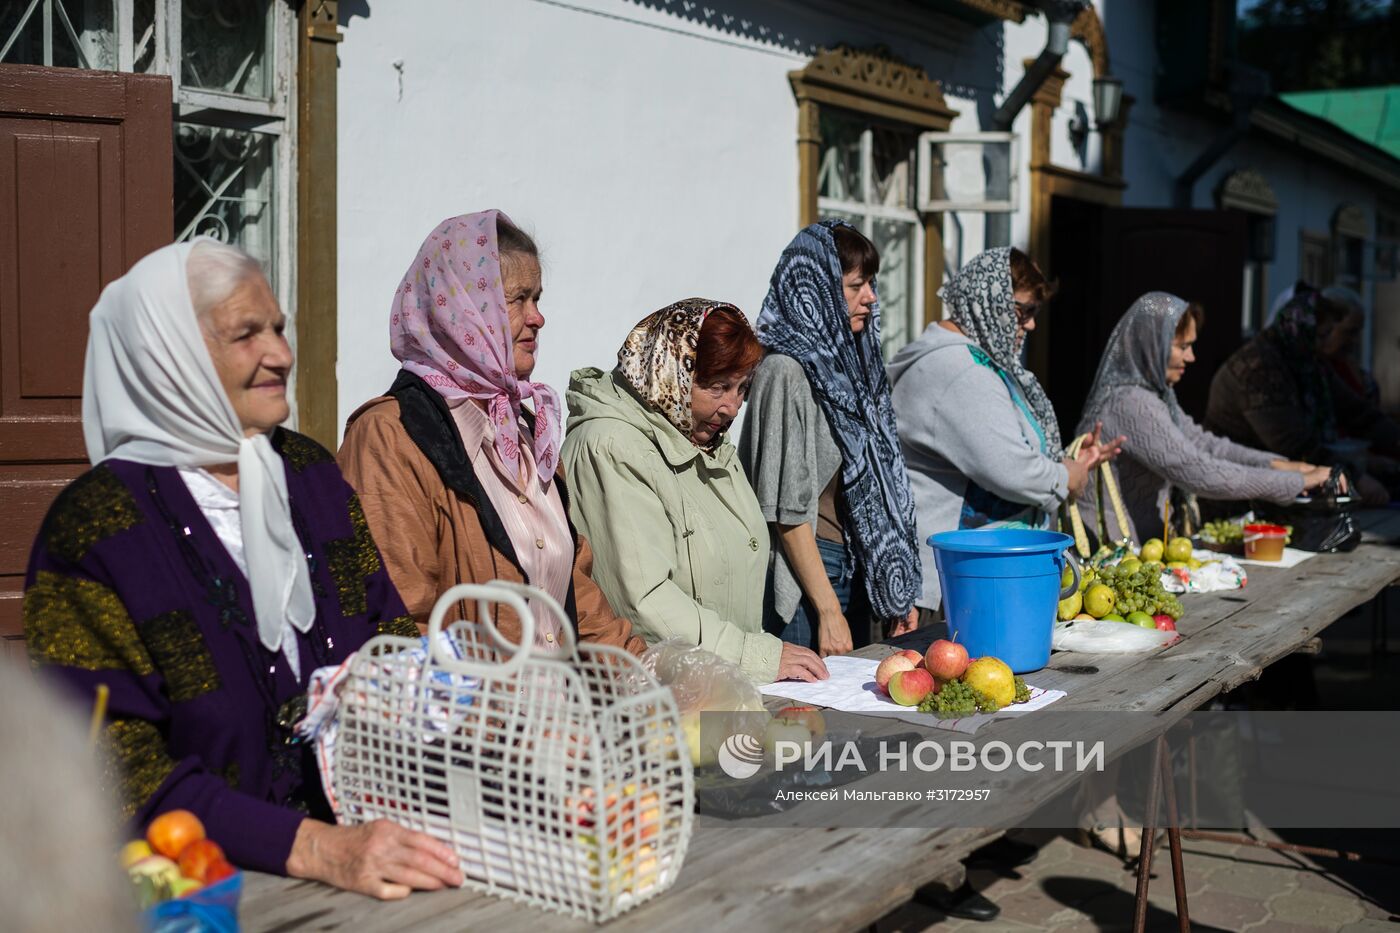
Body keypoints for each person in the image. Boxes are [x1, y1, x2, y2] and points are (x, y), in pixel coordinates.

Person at [24, 239, 462, 898]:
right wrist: (313, 846)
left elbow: (390, 640)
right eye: (246, 334)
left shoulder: (310, 475)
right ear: (167, 354)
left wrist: (494, 746)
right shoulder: (96, 529)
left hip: (372, 865)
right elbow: (111, 771)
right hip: (202, 894)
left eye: (279, 329)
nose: (281, 354)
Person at [338, 211, 647, 655]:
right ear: (460, 309)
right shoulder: (390, 436)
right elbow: (397, 623)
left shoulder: (527, 430)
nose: (537, 318)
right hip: (460, 702)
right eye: (517, 300)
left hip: (559, 701)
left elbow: (574, 600)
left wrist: (654, 679)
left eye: (537, 298)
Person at [561, 300, 827, 684]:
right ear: (671, 372)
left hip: (714, 685)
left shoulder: (701, 438)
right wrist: (751, 655)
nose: (732, 407)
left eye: (742, 388)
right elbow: (644, 601)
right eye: (717, 387)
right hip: (656, 697)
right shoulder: (612, 447)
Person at [889, 247, 1121, 615]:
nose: (1030, 326)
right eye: (1022, 312)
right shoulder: (959, 370)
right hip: (954, 584)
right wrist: (1066, 477)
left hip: (976, 574)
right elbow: (1011, 469)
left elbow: (1003, 449)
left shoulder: (975, 361)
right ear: (988, 300)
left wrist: (1069, 462)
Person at [739, 221, 921, 658]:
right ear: (815, 291)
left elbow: (880, 485)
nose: (870, 297)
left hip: (852, 567)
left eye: (871, 284)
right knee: (809, 703)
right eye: (856, 285)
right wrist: (828, 611)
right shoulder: (785, 372)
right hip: (808, 583)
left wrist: (893, 587)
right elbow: (785, 512)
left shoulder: (852, 368)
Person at [1079, 292, 1333, 539]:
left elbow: (1203, 444)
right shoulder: (1132, 403)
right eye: (1183, 346)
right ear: (1152, 345)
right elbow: (1197, 471)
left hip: (1137, 547)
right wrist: (1294, 482)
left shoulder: (1155, 396)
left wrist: (1276, 464)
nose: (1191, 357)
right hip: (1109, 551)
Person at [1206, 283, 1387, 504]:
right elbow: (1293, 443)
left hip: (1276, 488)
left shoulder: (1307, 363)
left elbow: (1358, 413)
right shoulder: (1259, 368)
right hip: (1237, 493)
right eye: (1322, 334)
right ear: (1302, 327)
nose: (1324, 343)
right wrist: (1354, 477)